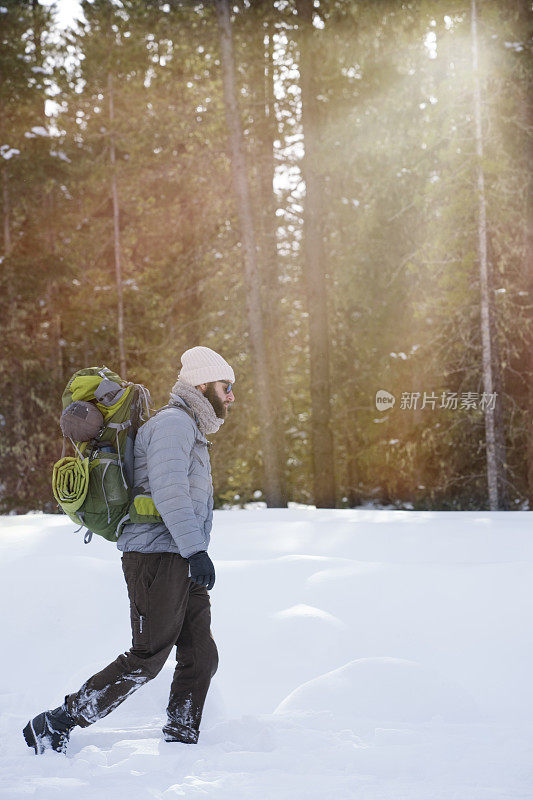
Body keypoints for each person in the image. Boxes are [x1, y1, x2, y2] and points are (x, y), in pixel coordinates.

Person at [24, 346, 235, 754]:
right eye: (225, 387)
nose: (230, 397)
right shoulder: (174, 425)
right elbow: (171, 491)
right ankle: (55, 723)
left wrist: (191, 553)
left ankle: (181, 735)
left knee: (200, 655)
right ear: (203, 385)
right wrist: (196, 551)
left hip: (177, 556)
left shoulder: (187, 427)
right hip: (156, 556)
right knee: (147, 657)